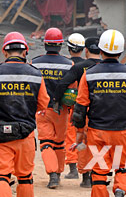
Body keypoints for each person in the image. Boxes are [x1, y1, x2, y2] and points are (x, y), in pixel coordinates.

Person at [72, 29, 126, 197]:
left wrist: (79, 132)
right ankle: (120, 189)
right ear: (121, 52)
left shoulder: (89, 75)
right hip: (122, 131)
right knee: (122, 166)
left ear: (100, 50)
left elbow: (80, 109)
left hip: (96, 131)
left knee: (99, 172)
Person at [0, 32, 49, 197]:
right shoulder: (35, 74)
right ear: (25, 52)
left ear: (5, 52)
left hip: (1, 136)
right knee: (25, 177)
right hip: (25, 134)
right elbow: (43, 103)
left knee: (2, 176)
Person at [53, 36, 101, 187]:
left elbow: (62, 84)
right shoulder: (107, 67)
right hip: (104, 111)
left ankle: (86, 177)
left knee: (81, 142)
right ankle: (99, 174)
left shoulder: (79, 68)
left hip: (83, 110)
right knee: (99, 143)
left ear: (86, 50)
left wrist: (56, 101)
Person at [32, 27, 73, 189]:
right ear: (61, 45)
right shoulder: (69, 64)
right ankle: (58, 172)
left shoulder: (35, 63)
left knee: (46, 143)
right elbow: (73, 90)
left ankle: (53, 175)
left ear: (45, 44)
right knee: (60, 143)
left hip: (42, 109)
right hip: (62, 110)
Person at [63, 32, 85, 180]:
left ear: (69, 48)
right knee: (84, 136)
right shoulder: (87, 66)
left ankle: (73, 169)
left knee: (71, 136)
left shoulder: (66, 65)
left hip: (71, 106)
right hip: (86, 106)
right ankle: (86, 172)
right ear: (83, 49)